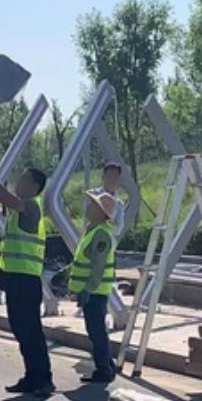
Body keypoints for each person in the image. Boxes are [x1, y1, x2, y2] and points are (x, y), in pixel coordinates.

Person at [0, 164, 54, 398]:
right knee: (21, 328)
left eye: (23, 180)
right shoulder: (20, 209)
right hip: (16, 278)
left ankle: (43, 379)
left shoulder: (31, 206)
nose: (18, 183)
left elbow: (5, 197)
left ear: (34, 187)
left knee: (30, 330)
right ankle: (32, 376)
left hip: (27, 280)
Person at [70, 192, 117, 384]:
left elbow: (98, 266)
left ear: (101, 212)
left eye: (92, 205)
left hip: (95, 292)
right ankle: (108, 366)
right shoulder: (93, 230)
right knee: (96, 330)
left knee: (96, 331)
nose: (88, 207)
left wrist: (87, 289)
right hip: (93, 291)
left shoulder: (100, 234)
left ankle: (104, 370)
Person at [85, 162, 126, 239]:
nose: (112, 180)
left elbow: (118, 230)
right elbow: (88, 215)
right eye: (109, 176)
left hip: (106, 242)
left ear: (119, 180)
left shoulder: (119, 204)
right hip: (89, 239)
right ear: (103, 177)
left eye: (115, 176)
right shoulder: (92, 194)